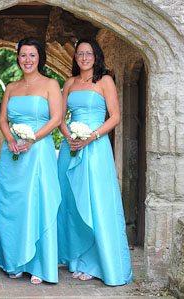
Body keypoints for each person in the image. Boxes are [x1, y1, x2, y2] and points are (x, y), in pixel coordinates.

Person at [57, 38, 133, 286]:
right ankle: (77, 259)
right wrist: (69, 137)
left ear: (96, 56)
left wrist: (91, 137)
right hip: (72, 148)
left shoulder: (105, 81)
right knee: (72, 203)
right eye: (80, 54)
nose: (84, 57)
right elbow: (58, 117)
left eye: (88, 53)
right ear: (75, 57)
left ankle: (97, 261)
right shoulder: (69, 83)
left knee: (96, 201)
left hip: (95, 147)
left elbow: (115, 117)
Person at [0, 37, 62, 284]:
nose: (27, 60)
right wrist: (10, 139)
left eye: (32, 55)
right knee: (10, 204)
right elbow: (2, 119)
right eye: (23, 55)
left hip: (38, 150)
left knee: (38, 201)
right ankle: (14, 260)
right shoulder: (11, 87)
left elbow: (56, 118)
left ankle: (39, 265)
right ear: (18, 58)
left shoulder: (50, 84)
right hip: (13, 154)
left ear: (39, 57)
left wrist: (32, 139)